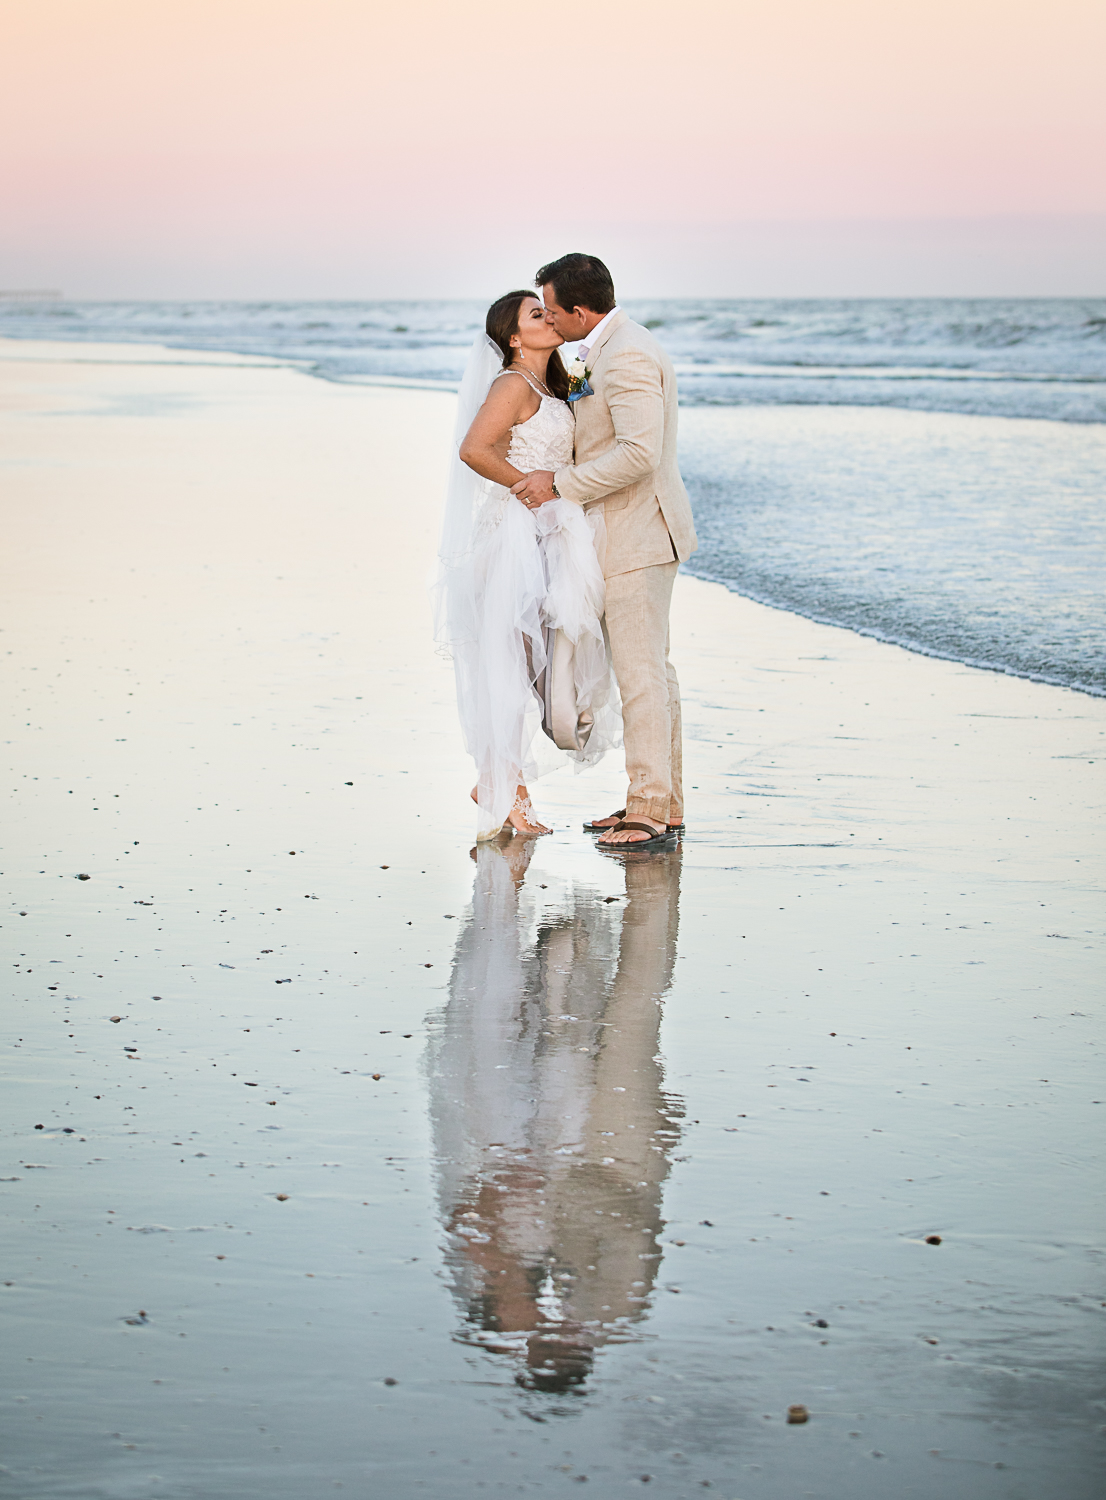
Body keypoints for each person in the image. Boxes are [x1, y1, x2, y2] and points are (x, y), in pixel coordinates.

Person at [512, 254, 698, 849]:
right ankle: (659, 802)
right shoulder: (606, 349)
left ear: (580, 310)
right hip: (621, 532)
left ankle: (647, 808)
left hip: (640, 533)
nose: (550, 320)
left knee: (642, 677)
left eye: (553, 310)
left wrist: (559, 484)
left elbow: (641, 453)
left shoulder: (628, 353)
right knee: (652, 674)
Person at [434, 290, 620, 840]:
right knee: (511, 661)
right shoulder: (512, 384)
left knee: (543, 657)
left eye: (550, 311)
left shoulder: (553, 383)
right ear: (513, 338)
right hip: (518, 535)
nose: (550, 319)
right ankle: (502, 784)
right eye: (536, 315)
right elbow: (474, 448)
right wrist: (526, 485)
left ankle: (502, 777)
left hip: (556, 531)